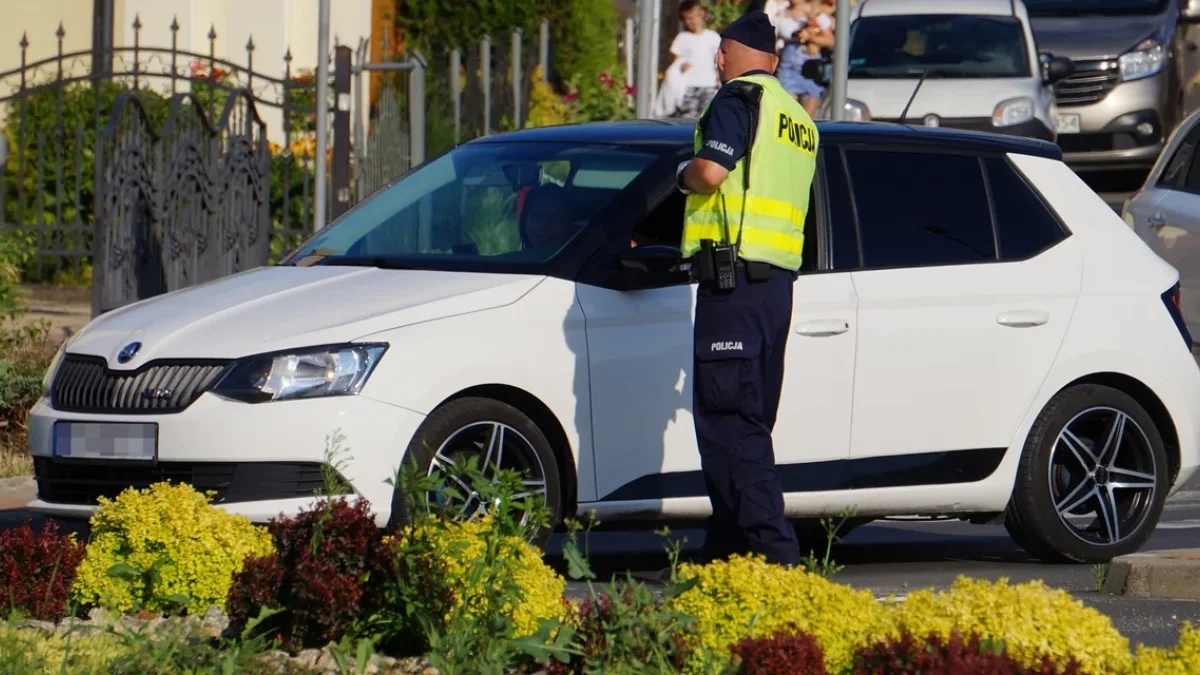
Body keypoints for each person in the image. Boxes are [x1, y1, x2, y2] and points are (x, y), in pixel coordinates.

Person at [674, 10, 819, 568]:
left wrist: (681, 175)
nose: (715, 60)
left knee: (731, 423)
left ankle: (778, 559)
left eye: (720, 51)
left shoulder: (738, 101)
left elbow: (711, 173)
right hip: (775, 289)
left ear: (730, 56)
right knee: (745, 422)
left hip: (732, 286)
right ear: (777, 62)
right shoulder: (798, 119)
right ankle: (726, 556)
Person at [653, 0, 722, 118]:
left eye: (694, 17)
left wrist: (719, 78)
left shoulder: (713, 37)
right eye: (687, 19)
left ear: (701, 15)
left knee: (708, 117)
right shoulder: (682, 38)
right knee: (688, 117)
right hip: (688, 86)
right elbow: (675, 60)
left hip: (709, 84)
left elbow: (719, 60)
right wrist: (681, 65)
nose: (692, 21)